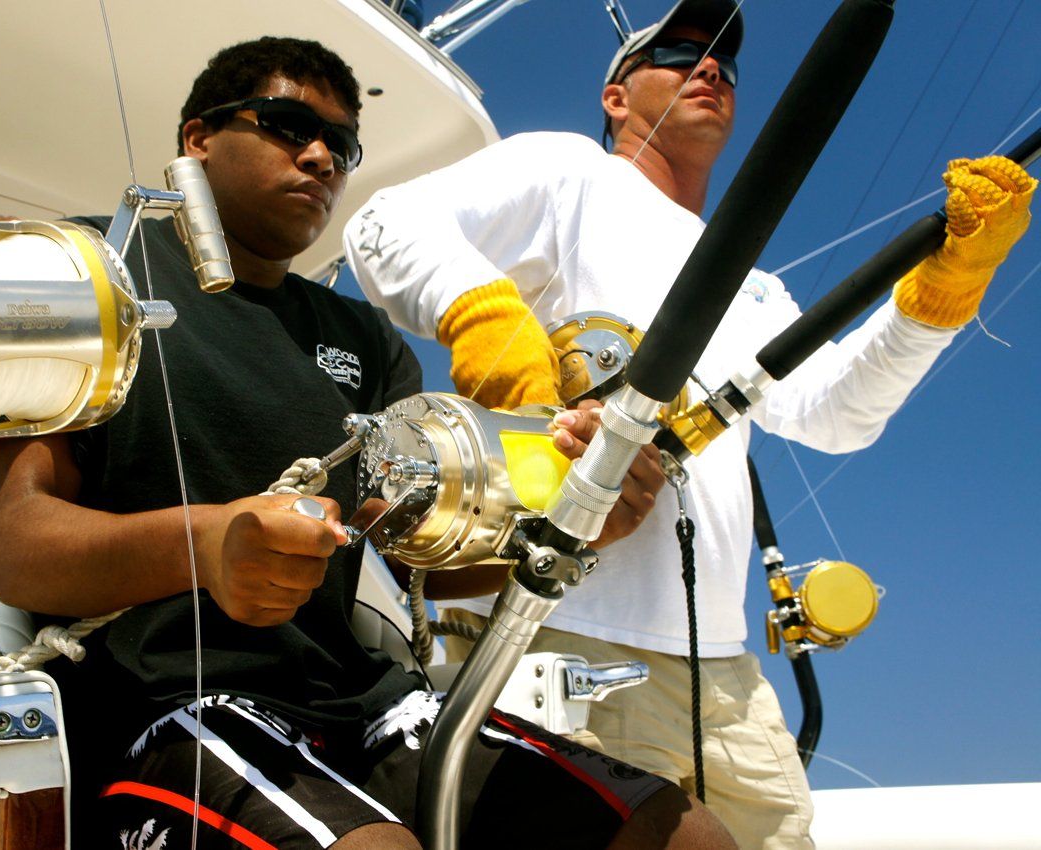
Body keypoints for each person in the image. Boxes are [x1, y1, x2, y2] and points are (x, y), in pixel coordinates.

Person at [0, 36, 735, 850]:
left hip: (361, 702)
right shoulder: (86, 274)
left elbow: (422, 562)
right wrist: (206, 543)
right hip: (152, 705)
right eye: (286, 125)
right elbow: (15, 546)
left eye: (340, 146)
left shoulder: (362, 337)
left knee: (680, 835)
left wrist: (582, 522)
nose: (320, 158)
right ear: (199, 138)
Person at [343, 1, 1036, 847]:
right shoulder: (570, 172)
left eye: (725, 65)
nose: (709, 69)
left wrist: (944, 290)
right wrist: (497, 335)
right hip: (553, 636)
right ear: (615, 97)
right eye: (677, 52)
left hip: (725, 674)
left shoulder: (751, 286)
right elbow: (383, 225)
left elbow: (835, 414)